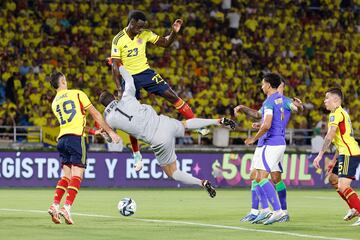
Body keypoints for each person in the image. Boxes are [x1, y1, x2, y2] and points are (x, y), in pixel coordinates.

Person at [99, 64, 237, 198]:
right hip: (164, 122)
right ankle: (217, 121)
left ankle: (201, 182)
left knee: (172, 172)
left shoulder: (109, 120)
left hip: (157, 140)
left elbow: (111, 138)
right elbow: (128, 79)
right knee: (185, 124)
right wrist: (118, 65)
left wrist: (107, 135)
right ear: (113, 96)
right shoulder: (127, 97)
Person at [109, 10, 207, 169]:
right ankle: (136, 154)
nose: (140, 30)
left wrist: (173, 33)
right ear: (132, 23)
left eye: (142, 28)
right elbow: (114, 65)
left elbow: (166, 42)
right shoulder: (118, 39)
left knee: (172, 95)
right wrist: (119, 89)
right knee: (132, 117)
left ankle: (197, 125)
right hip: (129, 78)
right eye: (138, 27)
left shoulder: (145, 34)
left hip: (146, 73)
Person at [47, 72, 120, 225]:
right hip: (76, 139)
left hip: (62, 139)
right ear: (63, 81)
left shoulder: (54, 103)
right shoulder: (77, 94)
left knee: (66, 176)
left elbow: (73, 122)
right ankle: (66, 207)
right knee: (77, 175)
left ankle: (55, 205)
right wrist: (110, 132)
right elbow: (95, 114)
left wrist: (94, 131)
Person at [235, 77, 302, 223]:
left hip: (272, 142)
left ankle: (279, 211)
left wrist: (254, 136)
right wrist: (244, 109)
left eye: (263, 84)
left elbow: (295, 109)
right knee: (256, 176)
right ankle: (261, 210)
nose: (261, 86)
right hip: (266, 141)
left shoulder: (283, 100)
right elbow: (261, 116)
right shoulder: (270, 101)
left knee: (269, 177)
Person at [313, 87, 360, 226]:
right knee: (333, 179)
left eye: (327, 98)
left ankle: (358, 209)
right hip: (344, 152)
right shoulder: (339, 113)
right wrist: (333, 161)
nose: (324, 100)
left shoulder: (336, 113)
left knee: (343, 186)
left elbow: (330, 134)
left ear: (335, 100)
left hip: (349, 153)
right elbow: (340, 140)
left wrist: (320, 155)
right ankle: (353, 207)